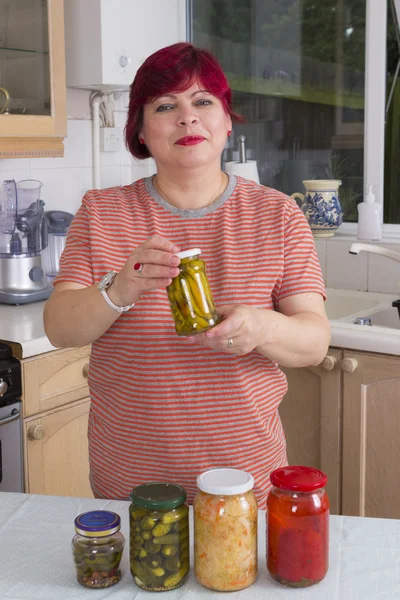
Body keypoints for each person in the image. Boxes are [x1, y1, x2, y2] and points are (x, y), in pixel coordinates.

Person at [44, 42, 330, 508]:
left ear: (226, 119)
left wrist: (258, 327)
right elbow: (59, 327)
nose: (187, 118)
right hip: (130, 482)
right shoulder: (102, 213)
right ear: (139, 129)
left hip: (244, 481)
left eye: (202, 101)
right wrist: (120, 288)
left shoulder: (277, 216)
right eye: (164, 105)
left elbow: (314, 341)